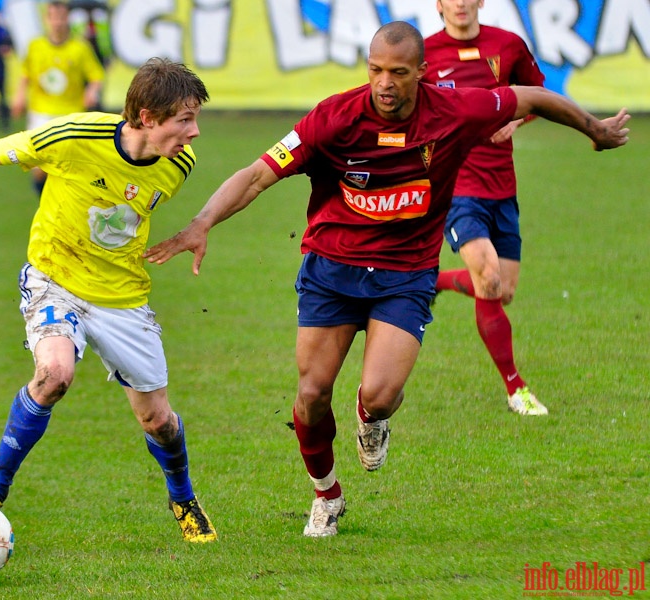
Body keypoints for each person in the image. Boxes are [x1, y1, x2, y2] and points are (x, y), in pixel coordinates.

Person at [144, 22, 630, 537]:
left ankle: (370, 417)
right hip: (332, 270)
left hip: (405, 275)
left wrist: (593, 129)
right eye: (376, 70)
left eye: (398, 72)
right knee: (310, 396)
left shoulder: (455, 109)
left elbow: (530, 95)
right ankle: (327, 495)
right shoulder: (333, 118)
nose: (385, 83)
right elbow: (259, 173)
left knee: (378, 394)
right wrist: (202, 223)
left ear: (422, 73)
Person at [0, 58, 217, 543]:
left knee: (158, 420)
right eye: (185, 119)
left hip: (122, 296)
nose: (194, 132)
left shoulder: (179, 164)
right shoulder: (71, 137)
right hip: (55, 278)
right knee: (54, 375)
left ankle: (183, 497)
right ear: (148, 117)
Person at [423, 0, 548, 416]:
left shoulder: (508, 45)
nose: (460, 2)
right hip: (456, 187)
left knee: (501, 291)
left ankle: (435, 282)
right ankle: (516, 389)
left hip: (502, 188)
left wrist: (516, 120)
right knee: (489, 276)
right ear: (438, 4)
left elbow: (539, 95)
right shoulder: (423, 55)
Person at [11, 0, 106, 195]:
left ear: (67, 19)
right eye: (53, 17)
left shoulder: (80, 47)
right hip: (41, 113)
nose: (58, 22)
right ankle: (44, 206)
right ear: (47, 19)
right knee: (39, 169)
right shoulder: (35, 46)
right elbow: (25, 74)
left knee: (70, 168)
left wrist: (91, 91)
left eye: (61, 17)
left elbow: (96, 76)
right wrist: (19, 95)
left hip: (71, 115)